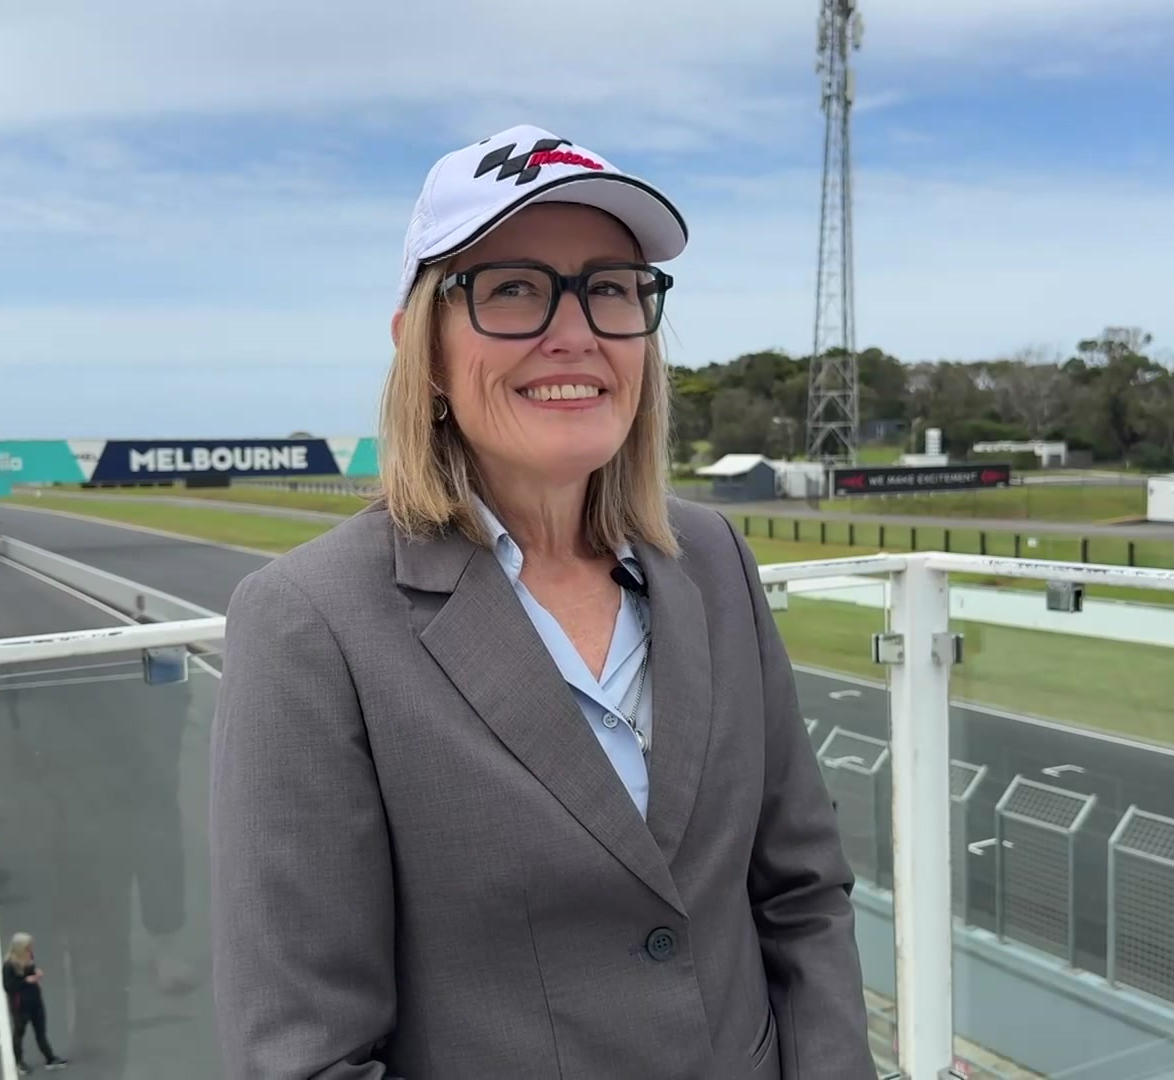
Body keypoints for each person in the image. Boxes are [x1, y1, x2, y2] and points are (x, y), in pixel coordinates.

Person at [210, 123, 875, 1079]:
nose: (576, 332)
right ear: (423, 348)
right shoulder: (311, 622)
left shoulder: (715, 560)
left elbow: (802, 893)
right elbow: (308, 1053)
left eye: (610, 288)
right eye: (513, 288)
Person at [2, 932, 69, 1073]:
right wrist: (26, 981)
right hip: (20, 1005)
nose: (31, 950)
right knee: (19, 1034)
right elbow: (8, 986)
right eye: (28, 947)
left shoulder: (28, 957)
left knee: (41, 1031)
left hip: (35, 1000)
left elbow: (30, 971)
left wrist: (36, 972)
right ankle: (19, 1062)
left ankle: (50, 1058)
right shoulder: (9, 965)